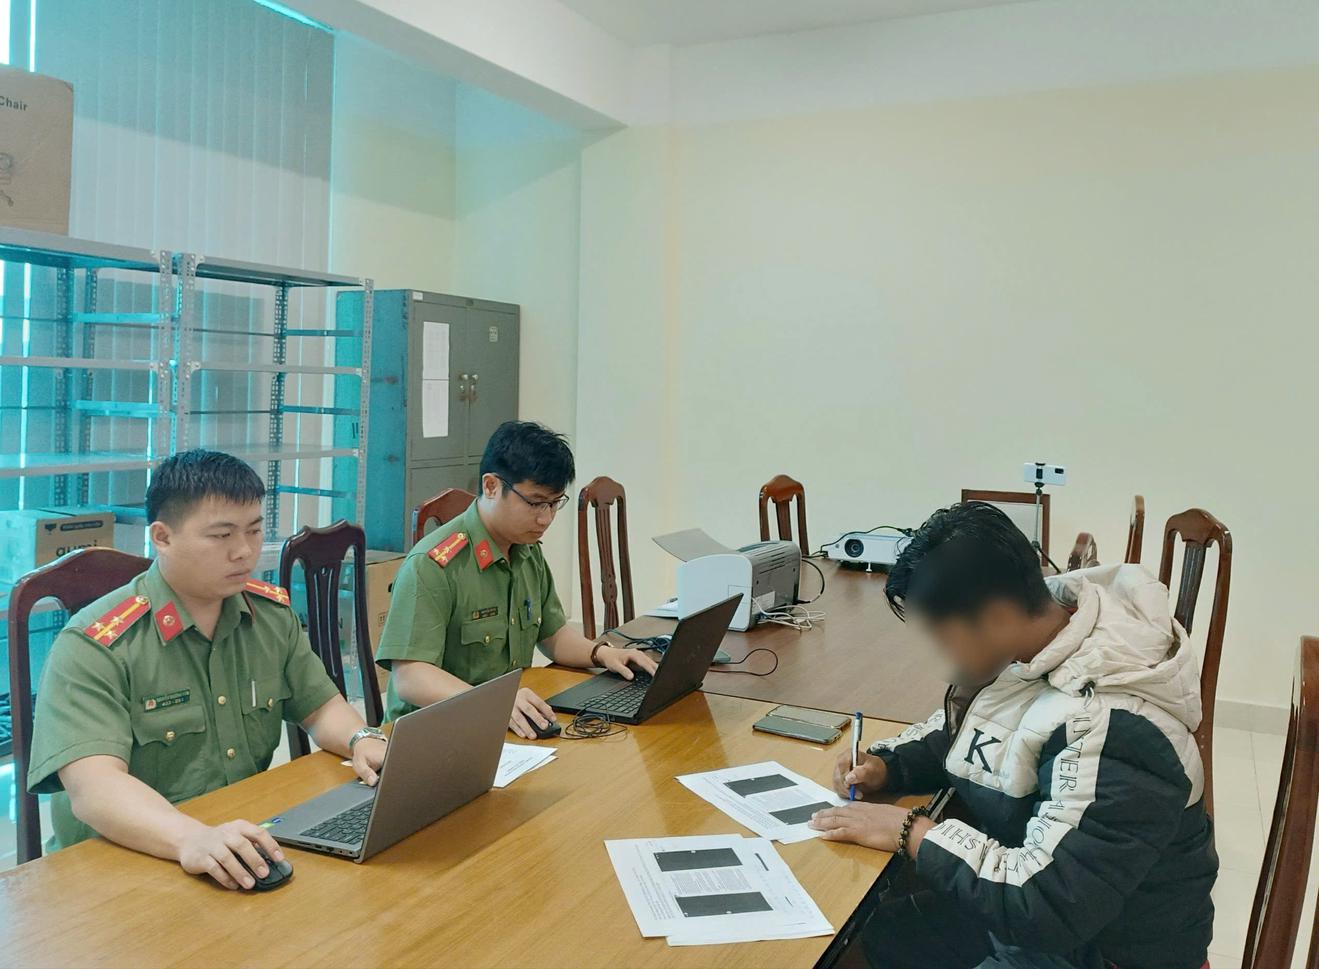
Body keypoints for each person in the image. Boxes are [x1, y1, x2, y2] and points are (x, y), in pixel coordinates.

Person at [808, 502, 1217, 969]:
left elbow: (1047, 905)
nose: (940, 654)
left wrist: (915, 833)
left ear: (997, 616)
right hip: (1050, 920)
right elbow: (984, 735)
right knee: (872, 936)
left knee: (873, 932)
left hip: (1101, 948)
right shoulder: (1038, 646)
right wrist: (888, 766)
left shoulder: (1115, 725)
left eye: (942, 636)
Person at [26, 450, 388, 890]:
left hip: (239, 842)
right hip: (122, 868)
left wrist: (361, 738)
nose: (244, 551)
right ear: (162, 537)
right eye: (221, 535)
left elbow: (321, 707)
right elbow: (94, 789)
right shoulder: (97, 644)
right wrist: (191, 838)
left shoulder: (269, 617)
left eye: (254, 530)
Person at [375, 421, 657, 738]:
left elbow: (553, 635)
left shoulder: (526, 550)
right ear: (491, 486)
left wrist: (603, 654)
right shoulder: (433, 565)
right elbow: (410, 677)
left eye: (554, 504)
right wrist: (493, 702)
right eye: (535, 503)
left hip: (504, 721)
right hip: (433, 731)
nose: (545, 518)